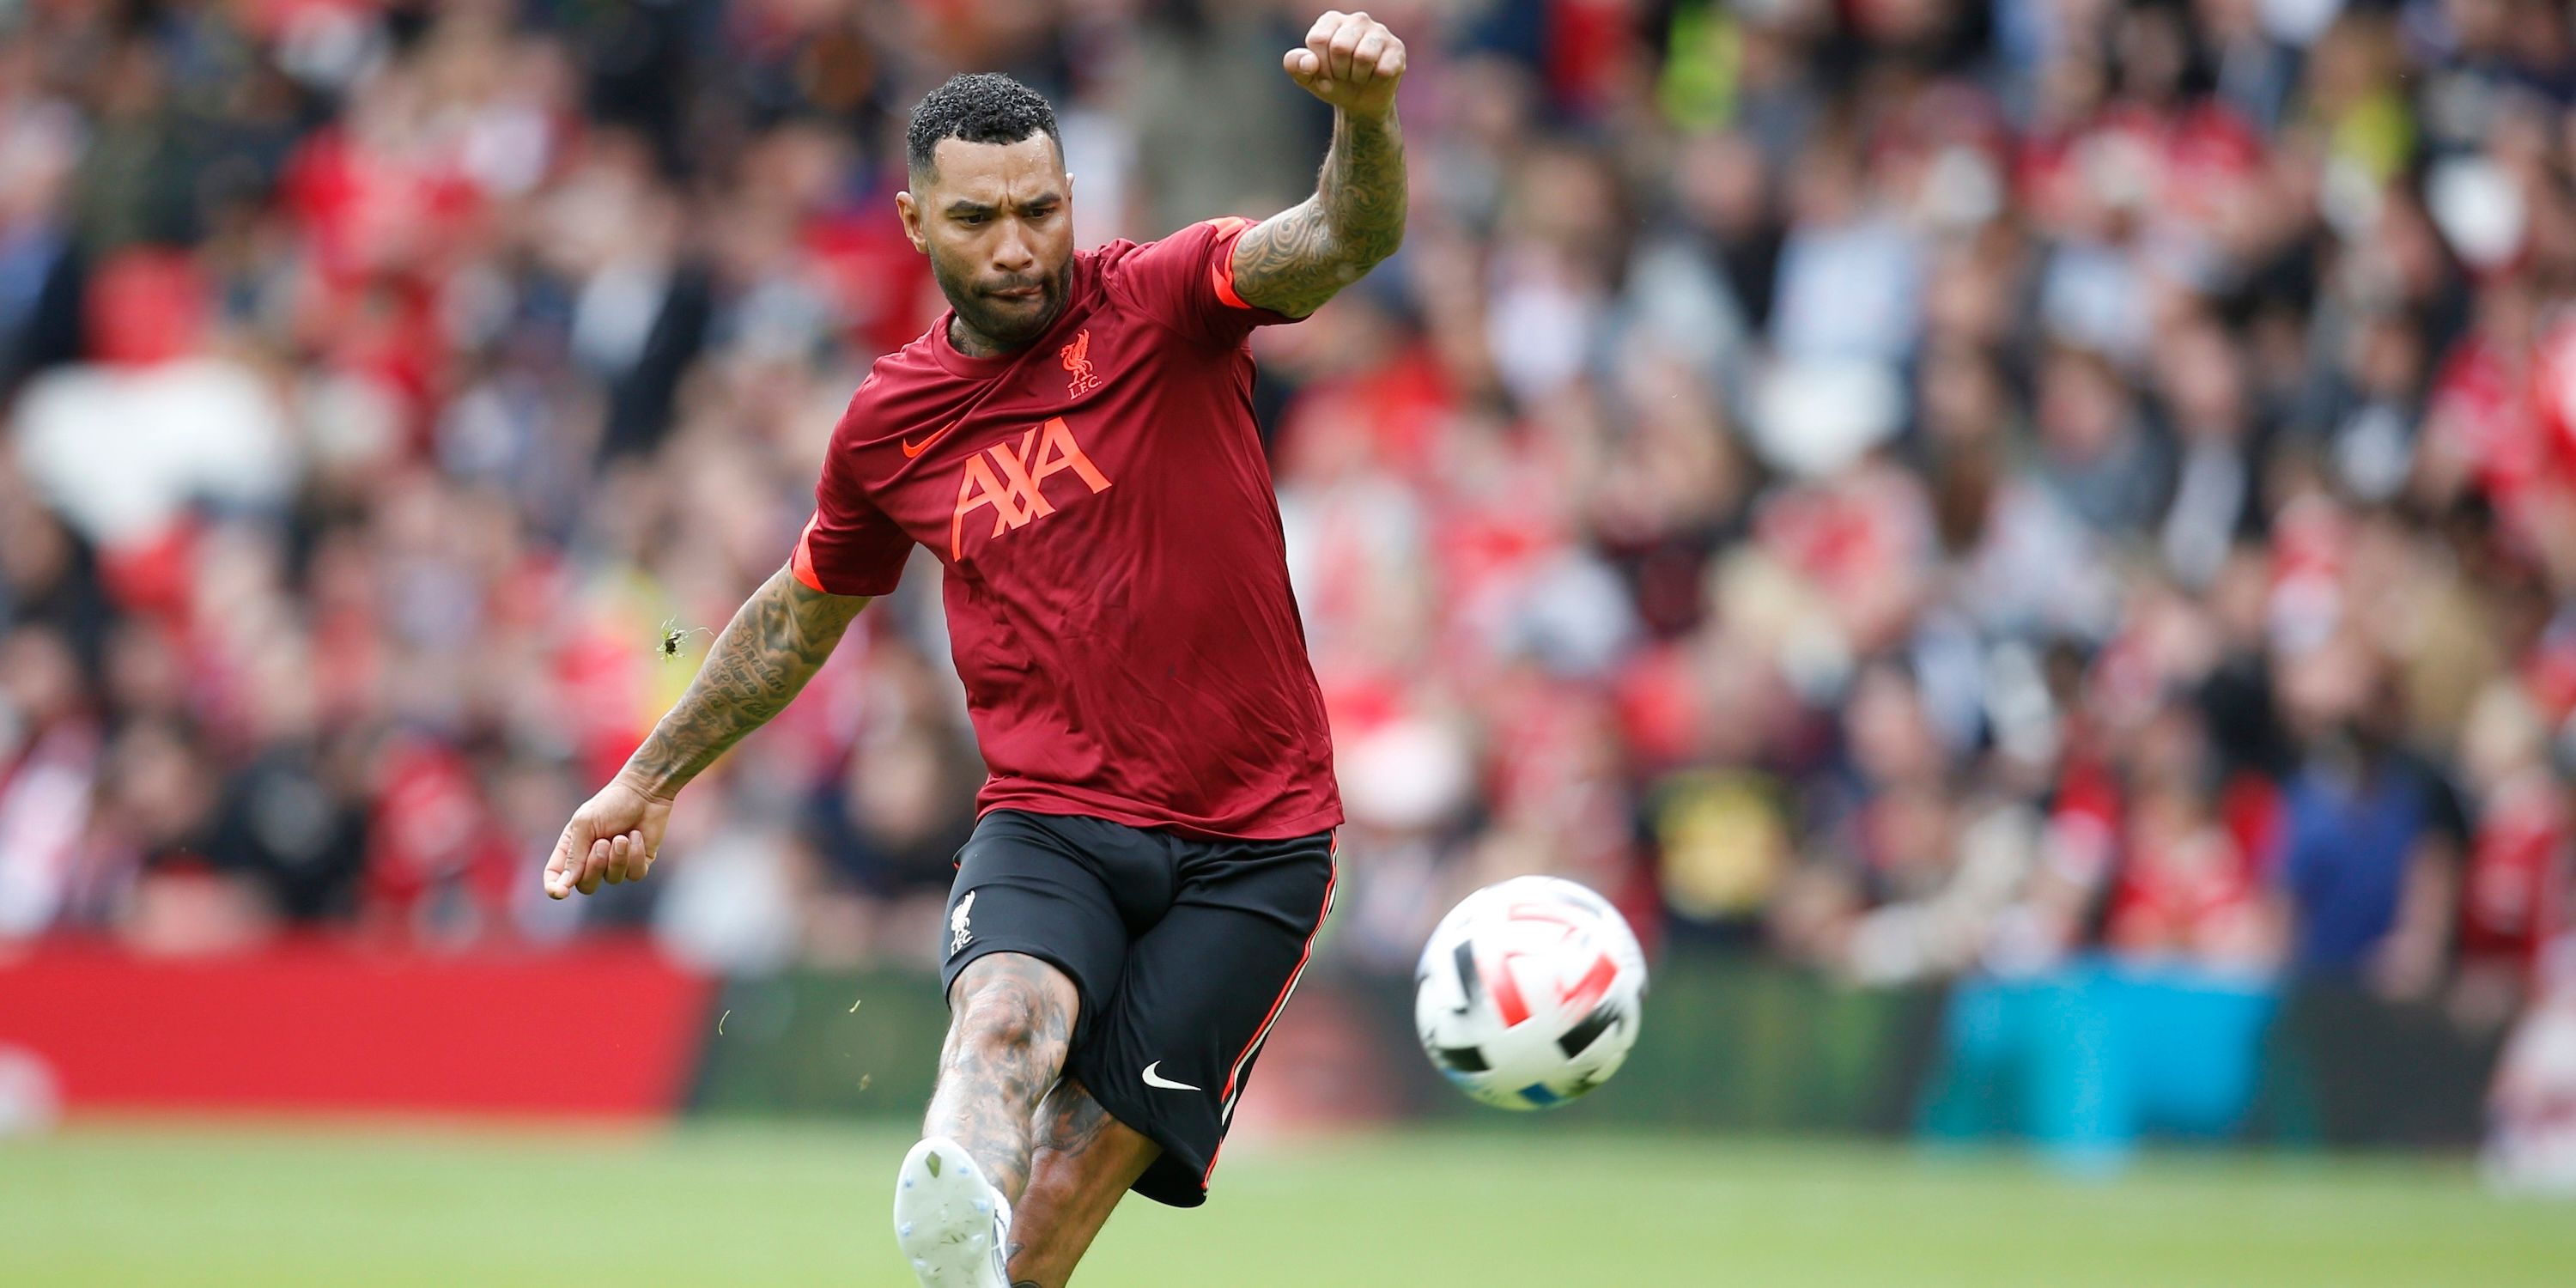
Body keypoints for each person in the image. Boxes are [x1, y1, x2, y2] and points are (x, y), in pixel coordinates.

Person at [540, 12, 1407, 1287]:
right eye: (976, 220)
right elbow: (796, 616)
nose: (1016, 248)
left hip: (1256, 847)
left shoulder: (1166, 299)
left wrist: (1367, 121)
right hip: (1052, 818)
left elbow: (1345, 235)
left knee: (1046, 1234)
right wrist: (648, 777)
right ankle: (952, 1188)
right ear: (911, 223)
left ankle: (980, 1241)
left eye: (1040, 211)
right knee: (1001, 1022)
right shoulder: (891, 424)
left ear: (1074, 201)